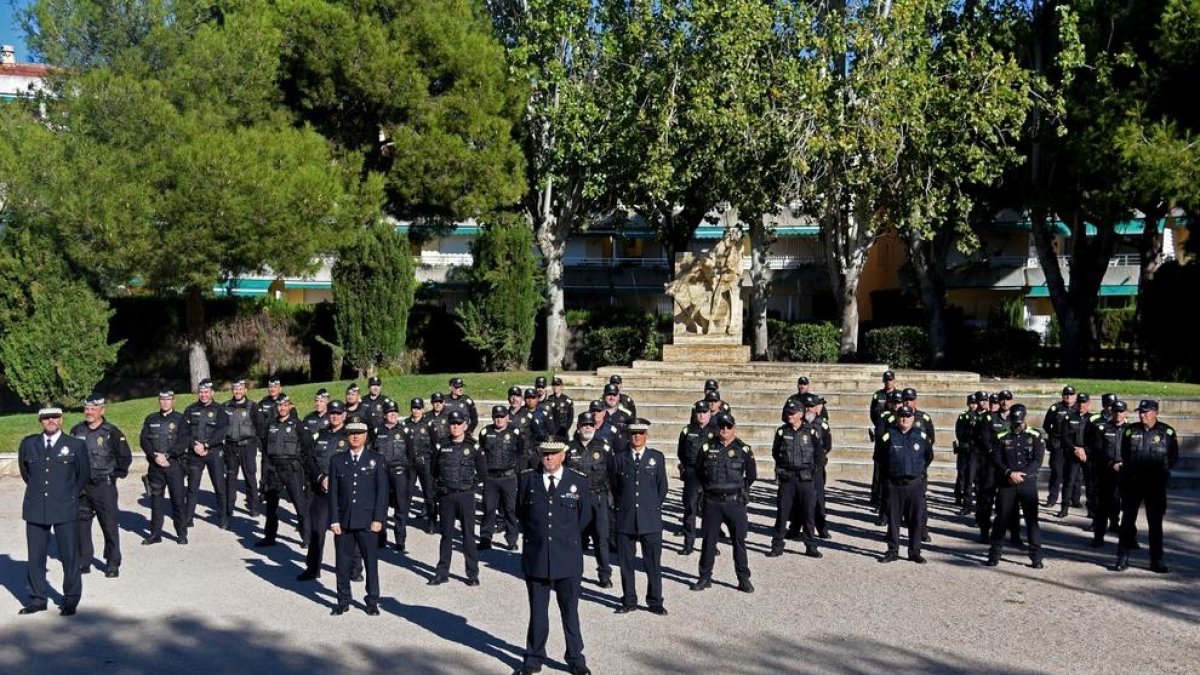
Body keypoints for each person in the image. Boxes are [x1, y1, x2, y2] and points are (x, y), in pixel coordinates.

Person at [513, 438, 593, 675]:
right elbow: (522, 514)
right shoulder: (528, 479)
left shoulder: (577, 482)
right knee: (537, 611)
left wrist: (563, 538)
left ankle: (575, 658)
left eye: (554, 453)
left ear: (563, 455)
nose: (549, 458)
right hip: (537, 557)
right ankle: (534, 656)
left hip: (567, 558)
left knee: (570, 611)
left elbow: (584, 517)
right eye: (544, 454)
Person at [18, 406, 90, 616]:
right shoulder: (29, 444)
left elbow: (82, 474)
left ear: (61, 420)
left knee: (69, 556)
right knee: (36, 557)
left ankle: (71, 599)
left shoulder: (75, 445)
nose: (50, 421)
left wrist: (68, 495)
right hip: (36, 507)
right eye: (46, 418)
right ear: (40, 421)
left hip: (65, 506)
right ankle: (38, 598)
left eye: (54, 417)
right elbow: (26, 473)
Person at [328, 419, 388, 615]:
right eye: (352, 433)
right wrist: (334, 519)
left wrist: (379, 519)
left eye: (359, 433)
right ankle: (343, 600)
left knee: (371, 563)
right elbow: (333, 494)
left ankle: (372, 601)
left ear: (366, 436)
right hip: (344, 522)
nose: (355, 436)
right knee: (342, 564)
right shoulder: (337, 461)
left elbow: (382, 493)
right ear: (347, 436)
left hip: (368, 522)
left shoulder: (376, 459)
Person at [609, 418, 668, 615]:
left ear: (646, 436)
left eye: (640, 433)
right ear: (628, 435)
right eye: (633, 433)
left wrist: (649, 507)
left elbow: (662, 487)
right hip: (626, 519)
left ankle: (655, 601)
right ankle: (629, 599)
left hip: (650, 519)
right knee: (626, 564)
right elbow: (614, 487)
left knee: (653, 564)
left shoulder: (656, 458)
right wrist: (624, 508)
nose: (637, 436)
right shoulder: (618, 458)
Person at [691, 413, 756, 593]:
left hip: (734, 502)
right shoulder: (706, 448)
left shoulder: (744, 449)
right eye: (721, 426)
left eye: (728, 426)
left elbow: (751, 475)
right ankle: (704, 577)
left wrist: (737, 489)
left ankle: (743, 578)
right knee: (708, 542)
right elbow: (698, 471)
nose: (724, 430)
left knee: (739, 542)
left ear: (734, 428)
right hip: (712, 502)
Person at [69, 394, 132, 578]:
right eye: (87, 408)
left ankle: (112, 563)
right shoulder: (76, 430)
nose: (88, 412)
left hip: (104, 486)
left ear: (102, 410)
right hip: (82, 486)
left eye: (93, 409)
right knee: (82, 525)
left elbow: (125, 457)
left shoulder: (112, 432)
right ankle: (84, 560)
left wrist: (114, 477)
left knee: (109, 524)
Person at [1115, 400, 1179, 573]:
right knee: (1127, 520)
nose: (1142, 415)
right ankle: (1122, 556)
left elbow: (1173, 457)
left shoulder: (1167, 432)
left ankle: (1156, 559)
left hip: (1155, 484)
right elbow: (1124, 454)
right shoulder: (1130, 430)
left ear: (1155, 412)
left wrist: (1161, 471)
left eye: (1145, 412)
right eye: (1140, 412)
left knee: (1155, 523)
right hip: (1133, 483)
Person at [298, 401, 356, 581]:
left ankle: (354, 569)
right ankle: (313, 568)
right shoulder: (319, 435)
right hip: (321, 491)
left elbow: (357, 462)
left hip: (343, 492)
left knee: (347, 532)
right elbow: (309, 459)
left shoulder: (351, 436)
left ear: (344, 415)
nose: (335, 416)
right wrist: (321, 478)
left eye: (338, 413)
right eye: (332, 413)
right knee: (317, 531)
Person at [428, 411, 486, 586]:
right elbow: (434, 470)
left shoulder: (473, 447)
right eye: (452, 423)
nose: (455, 426)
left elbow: (482, 473)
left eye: (459, 423)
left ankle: (472, 573)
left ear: (465, 426)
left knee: (468, 535)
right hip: (447, 496)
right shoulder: (441, 446)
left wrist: (469, 485)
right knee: (446, 535)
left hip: (466, 496)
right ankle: (442, 572)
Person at [984, 405, 1046, 569]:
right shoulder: (1002, 436)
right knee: (1001, 519)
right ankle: (994, 554)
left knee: (1031, 521)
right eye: (1014, 421)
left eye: (1019, 421)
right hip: (1007, 482)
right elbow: (997, 459)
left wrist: (1021, 475)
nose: (1017, 424)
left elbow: (1037, 460)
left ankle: (1036, 556)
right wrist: (1009, 473)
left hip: (1027, 482)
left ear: (1025, 418)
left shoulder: (1035, 435)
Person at [875, 406, 933, 564]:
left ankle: (914, 551)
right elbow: (879, 458)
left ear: (913, 418)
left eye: (908, 416)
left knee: (915, 519)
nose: (904, 419)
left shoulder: (920, 436)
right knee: (893, 520)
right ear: (897, 417)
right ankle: (893, 550)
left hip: (914, 484)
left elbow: (929, 456)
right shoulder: (888, 436)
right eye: (901, 416)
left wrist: (917, 471)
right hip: (895, 484)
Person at [769, 401, 823, 559]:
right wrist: (782, 468)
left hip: (805, 478)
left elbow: (819, 455)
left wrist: (814, 472)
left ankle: (810, 546)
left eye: (792, 413)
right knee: (782, 514)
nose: (789, 416)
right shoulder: (782, 432)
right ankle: (777, 545)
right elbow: (775, 452)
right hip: (787, 479)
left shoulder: (810, 431)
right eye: (788, 413)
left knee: (808, 514)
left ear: (800, 414)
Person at [256, 394, 311, 548]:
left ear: (290, 406)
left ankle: (307, 538)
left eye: (285, 405)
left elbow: (307, 449)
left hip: (292, 470)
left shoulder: (297, 425)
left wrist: (303, 469)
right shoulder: (270, 425)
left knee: (300, 504)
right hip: (274, 470)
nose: (282, 408)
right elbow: (266, 452)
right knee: (271, 506)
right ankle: (269, 537)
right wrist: (264, 475)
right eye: (280, 405)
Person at [566, 413, 614, 586]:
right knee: (574, 538)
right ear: (578, 428)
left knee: (601, 538)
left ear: (595, 428)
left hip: (597, 498)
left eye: (590, 425)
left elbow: (612, 473)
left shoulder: (603, 448)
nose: (587, 428)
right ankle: (572, 573)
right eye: (584, 425)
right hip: (575, 500)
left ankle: (604, 574)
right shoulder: (568, 449)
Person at [140, 390, 191, 545]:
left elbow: (184, 441)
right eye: (162, 399)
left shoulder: (181, 419)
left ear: (173, 401)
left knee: (178, 501)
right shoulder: (151, 419)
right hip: (155, 466)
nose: (165, 402)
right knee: (156, 502)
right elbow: (144, 440)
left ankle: (181, 534)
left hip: (174, 465)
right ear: (159, 401)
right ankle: (155, 534)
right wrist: (155, 456)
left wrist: (167, 455)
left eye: (168, 399)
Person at [182, 378, 229, 529]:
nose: (203, 395)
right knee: (192, 487)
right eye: (201, 392)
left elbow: (222, 431)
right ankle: (188, 518)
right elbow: (184, 431)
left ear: (212, 393)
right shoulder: (190, 410)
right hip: (195, 452)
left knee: (219, 487)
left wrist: (207, 444)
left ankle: (223, 518)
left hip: (213, 452)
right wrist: (193, 445)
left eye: (206, 392)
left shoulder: (219, 410)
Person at [478, 406, 526, 551]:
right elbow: (481, 453)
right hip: (491, 477)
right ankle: (485, 538)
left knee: (510, 509)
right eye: (496, 416)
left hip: (508, 477)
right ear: (493, 418)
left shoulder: (514, 432)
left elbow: (520, 451)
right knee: (488, 508)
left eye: (502, 416)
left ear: (507, 417)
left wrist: (512, 467)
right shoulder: (486, 432)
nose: (499, 419)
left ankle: (512, 539)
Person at [372, 399, 413, 552]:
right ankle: (381, 537)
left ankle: (400, 540)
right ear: (384, 415)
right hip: (381, 472)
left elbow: (410, 455)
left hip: (399, 472)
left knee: (401, 507)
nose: (393, 415)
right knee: (381, 506)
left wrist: (408, 476)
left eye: (395, 413)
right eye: (390, 413)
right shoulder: (377, 431)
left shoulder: (404, 431)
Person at [1086, 400, 1127, 548]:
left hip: (1124, 473)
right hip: (1105, 472)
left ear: (1126, 413)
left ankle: (1127, 536)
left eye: (1121, 411)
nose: (1118, 414)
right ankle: (1098, 537)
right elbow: (1097, 450)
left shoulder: (1130, 430)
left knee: (1127, 506)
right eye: (1115, 411)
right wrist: (1111, 464)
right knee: (1101, 506)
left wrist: (1124, 465)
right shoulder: (1102, 428)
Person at [676, 403, 713, 555]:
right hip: (692, 474)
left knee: (709, 511)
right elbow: (681, 452)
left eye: (704, 412)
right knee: (690, 508)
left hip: (709, 475)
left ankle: (710, 544)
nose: (701, 415)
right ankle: (688, 544)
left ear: (709, 414)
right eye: (699, 412)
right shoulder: (687, 430)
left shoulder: (716, 431)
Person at [223, 378, 261, 521]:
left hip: (247, 446)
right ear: (232, 390)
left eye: (240, 388)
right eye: (235, 388)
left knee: (250, 477)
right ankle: (229, 508)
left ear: (245, 390)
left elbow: (260, 426)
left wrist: (257, 444)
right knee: (230, 478)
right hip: (230, 447)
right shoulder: (225, 407)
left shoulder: (253, 406)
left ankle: (254, 507)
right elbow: (220, 427)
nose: (238, 391)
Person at [1058, 393, 1099, 518]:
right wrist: (1075, 449)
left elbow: (1095, 439)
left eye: (1084, 402)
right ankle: (1064, 508)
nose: (1081, 405)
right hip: (1072, 453)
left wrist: (1085, 450)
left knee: (1090, 483)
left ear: (1089, 404)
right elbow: (1064, 435)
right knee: (1068, 481)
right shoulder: (1069, 417)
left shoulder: (1094, 419)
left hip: (1087, 455)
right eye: (1080, 402)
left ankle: (1091, 510)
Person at [405, 397, 439, 532]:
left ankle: (431, 521)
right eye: (414, 408)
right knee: (407, 493)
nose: (416, 410)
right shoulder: (405, 425)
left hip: (426, 463)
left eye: (419, 408)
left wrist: (434, 466)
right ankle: (403, 521)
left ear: (423, 409)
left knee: (429, 494)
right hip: (411, 464)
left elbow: (435, 446)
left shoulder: (428, 424)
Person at [1042, 386, 1077, 507]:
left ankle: (1074, 500)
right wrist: (1053, 437)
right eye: (1066, 394)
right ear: (1062, 396)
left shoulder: (1079, 408)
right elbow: (1046, 425)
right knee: (1057, 472)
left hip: (1073, 445)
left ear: (1075, 396)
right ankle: (1052, 498)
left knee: (1074, 474)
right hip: (1059, 444)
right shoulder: (1055, 408)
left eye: (1071, 394)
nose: (1068, 396)